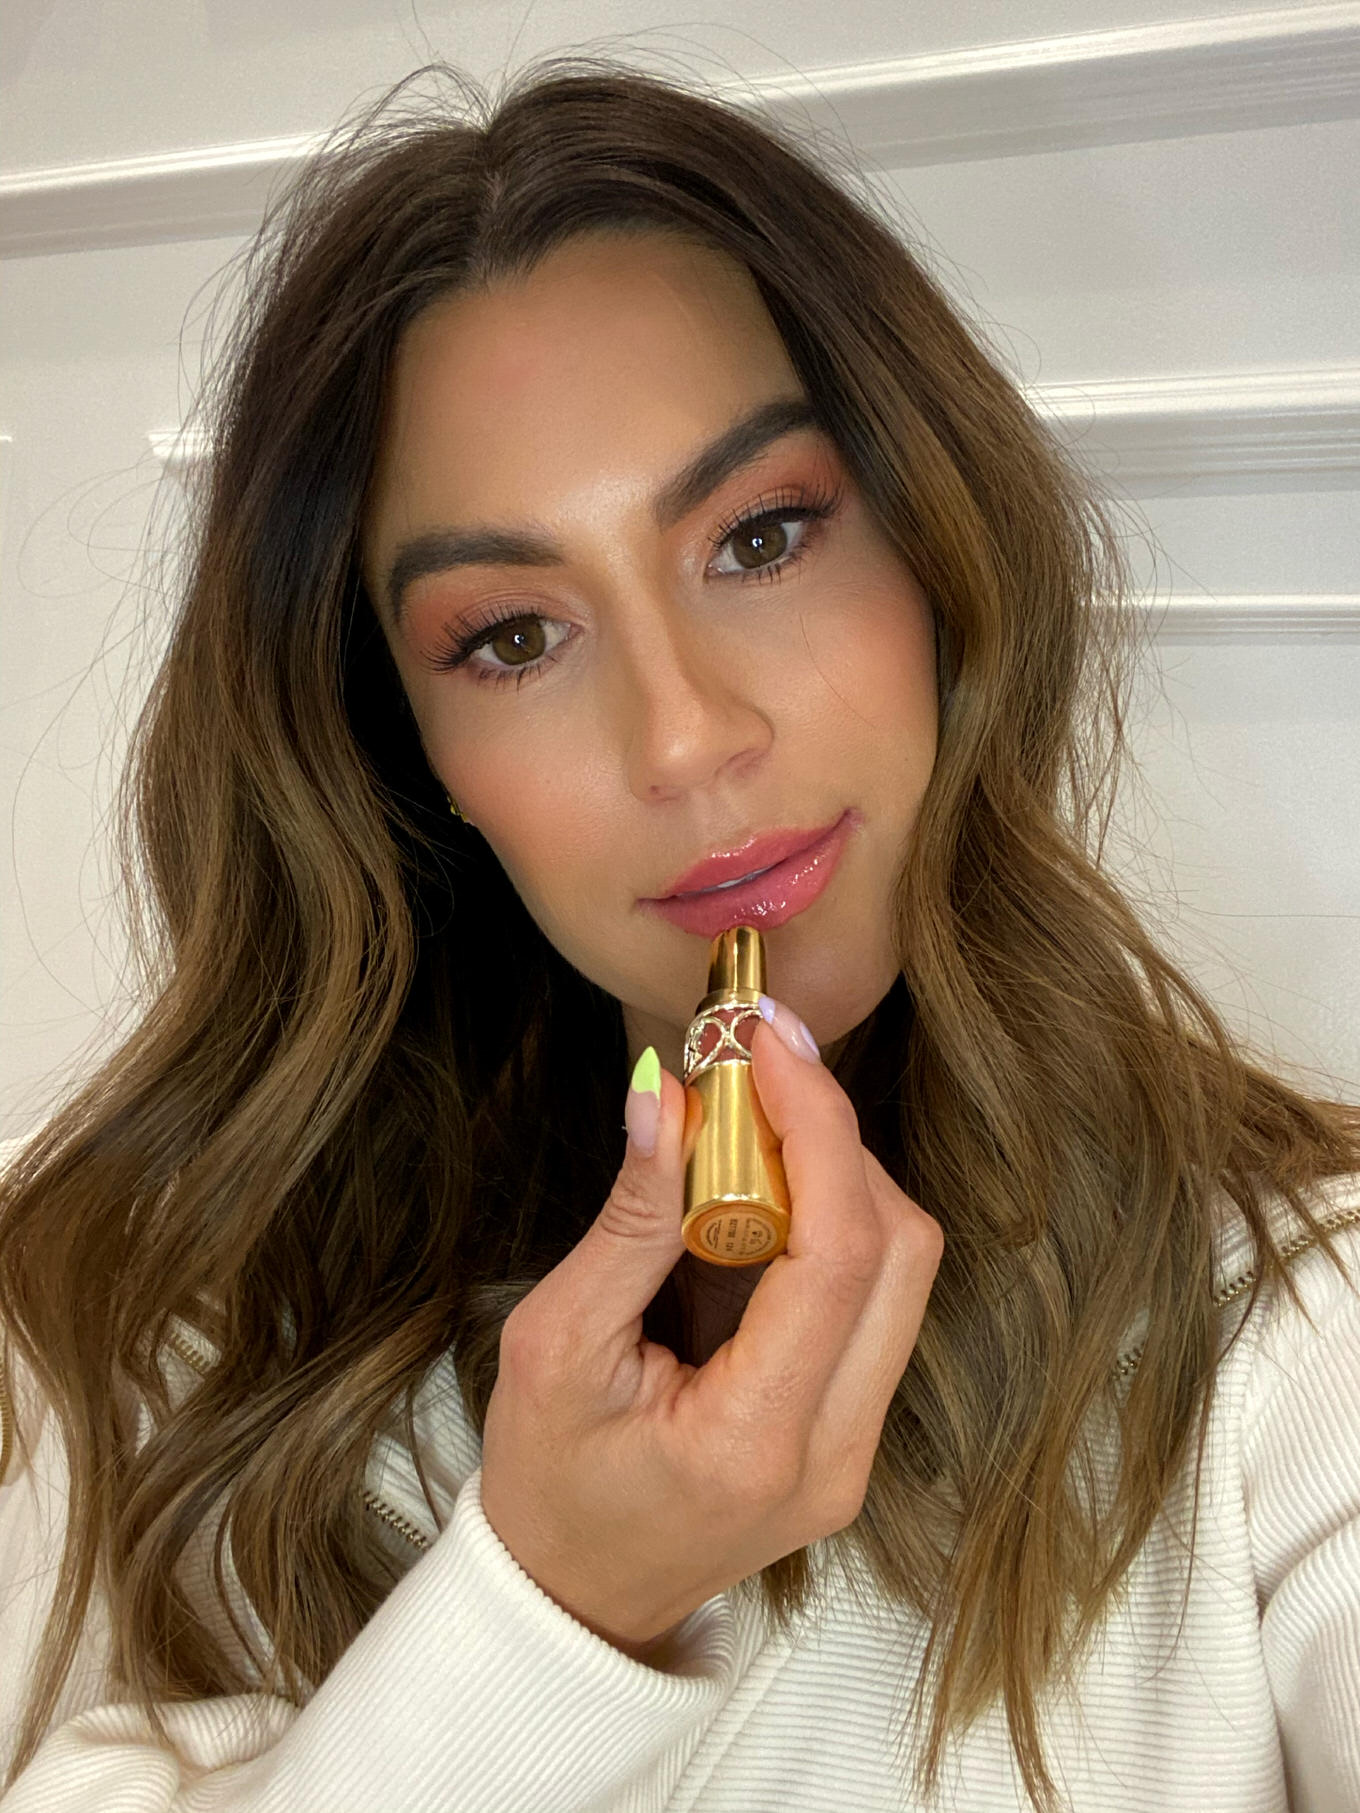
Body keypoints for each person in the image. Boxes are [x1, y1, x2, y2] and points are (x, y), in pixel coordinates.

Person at [1, 54, 1357, 1813]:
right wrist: (548, 1604)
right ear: (406, 752)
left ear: (938, 558)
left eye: (763, 536)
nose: (688, 738)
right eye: (511, 638)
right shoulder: (145, 1319)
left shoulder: (1299, 1319)